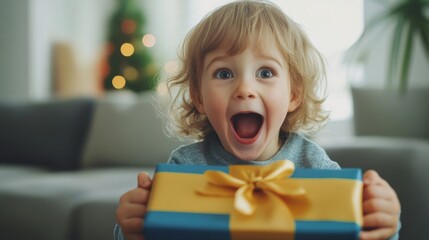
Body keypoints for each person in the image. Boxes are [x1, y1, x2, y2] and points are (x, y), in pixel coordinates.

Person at [115, 1, 401, 240]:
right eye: (224, 74)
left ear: (294, 94)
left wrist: (382, 222)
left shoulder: (313, 164)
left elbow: (350, 229)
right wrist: (131, 227)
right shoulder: (186, 168)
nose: (244, 89)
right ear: (198, 97)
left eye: (265, 73)